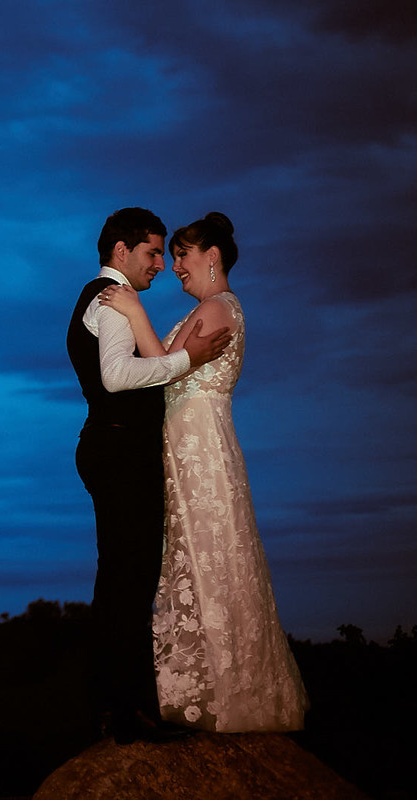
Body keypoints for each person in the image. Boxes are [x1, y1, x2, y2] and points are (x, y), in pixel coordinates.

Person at [98, 212, 309, 732]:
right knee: (198, 556)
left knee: (210, 553)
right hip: (187, 442)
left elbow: (165, 363)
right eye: (169, 257)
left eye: (182, 256)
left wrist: (131, 307)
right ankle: (204, 686)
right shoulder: (216, 307)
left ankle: (225, 694)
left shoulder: (218, 308)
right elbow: (171, 364)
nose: (173, 267)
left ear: (212, 256)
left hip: (200, 445)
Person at [67, 207, 232, 744]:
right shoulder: (111, 299)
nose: (161, 264)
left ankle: (114, 708)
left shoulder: (110, 299)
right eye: (152, 252)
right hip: (117, 447)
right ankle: (121, 712)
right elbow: (116, 376)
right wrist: (187, 360)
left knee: (122, 580)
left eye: (164, 253)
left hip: (111, 446)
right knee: (128, 582)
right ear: (121, 251)